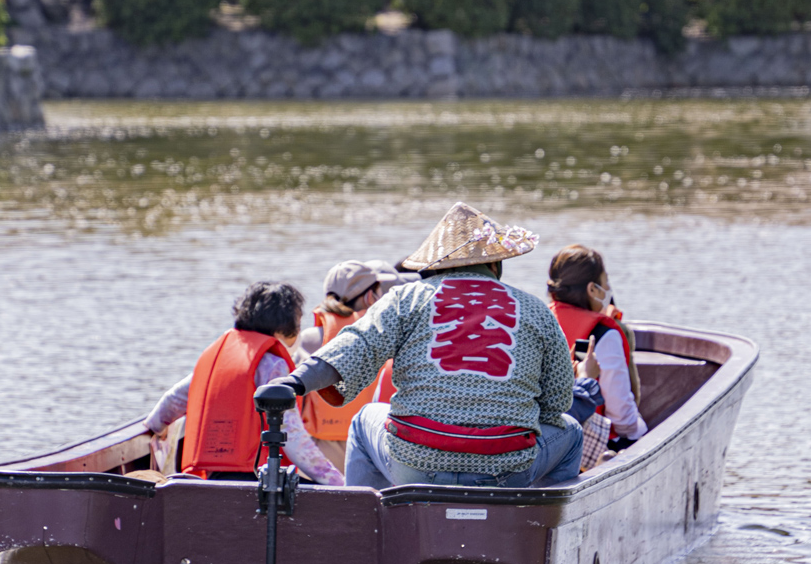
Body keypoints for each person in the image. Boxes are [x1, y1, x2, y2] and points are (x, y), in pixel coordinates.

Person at [278, 202, 582, 489]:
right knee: (572, 431)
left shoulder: (407, 298)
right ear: (496, 264)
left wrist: (295, 382)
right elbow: (557, 402)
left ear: (438, 265)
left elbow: (353, 347)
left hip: (416, 464)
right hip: (506, 467)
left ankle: (368, 529)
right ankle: (539, 528)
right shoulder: (535, 309)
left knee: (362, 420)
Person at [143, 281, 343, 485]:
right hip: (256, 480)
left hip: (210, 478)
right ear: (286, 328)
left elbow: (170, 403)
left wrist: (155, 427)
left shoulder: (217, 355)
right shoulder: (274, 365)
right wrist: (339, 482)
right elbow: (291, 435)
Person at [295, 260, 416, 472]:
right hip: (368, 446)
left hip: (319, 449)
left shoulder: (309, 338)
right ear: (371, 297)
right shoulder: (384, 336)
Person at [547, 245, 647, 457]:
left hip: (542, 438)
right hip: (588, 447)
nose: (608, 288)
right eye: (605, 282)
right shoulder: (603, 334)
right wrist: (643, 431)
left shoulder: (537, 321)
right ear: (592, 289)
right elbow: (622, 418)